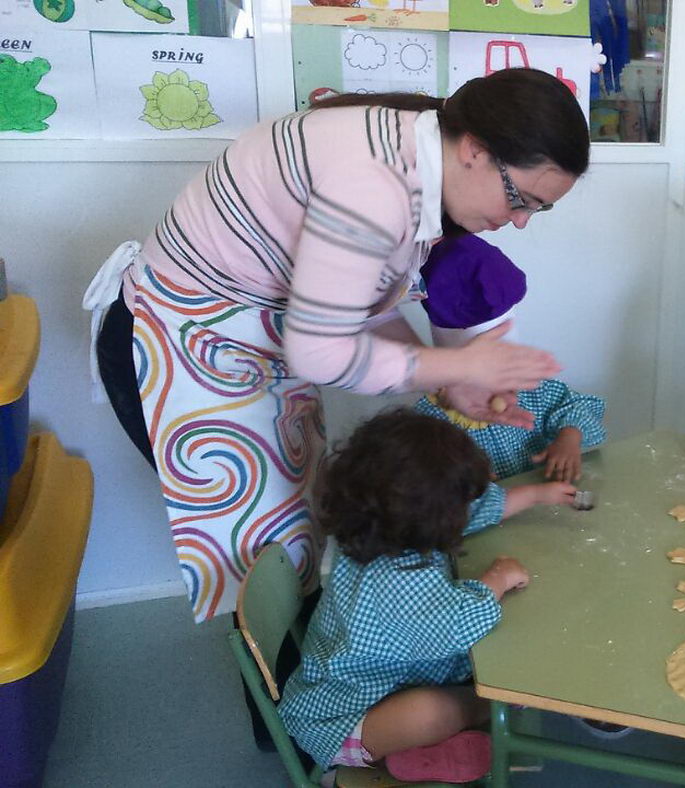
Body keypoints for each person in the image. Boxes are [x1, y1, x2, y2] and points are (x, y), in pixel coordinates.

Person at [85, 68, 589, 621]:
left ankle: (308, 682)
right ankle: (296, 702)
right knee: (261, 566)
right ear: (474, 149)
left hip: (247, 343)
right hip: (184, 346)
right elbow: (320, 352)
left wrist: (450, 378)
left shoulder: (414, 162)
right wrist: (461, 362)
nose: (519, 221)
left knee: (293, 541)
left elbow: (357, 309)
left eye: (538, 211)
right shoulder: (373, 186)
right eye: (522, 198)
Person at [278, 410, 536, 783]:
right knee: (432, 712)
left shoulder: (378, 525)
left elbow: (471, 511)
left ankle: (419, 754)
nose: (466, 511)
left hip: (381, 682)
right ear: (434, 518)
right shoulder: (398, 578)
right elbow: (453, 629)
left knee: (444, 698)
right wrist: (494, 581)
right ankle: (373, 763)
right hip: (344, 718)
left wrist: (532, 494)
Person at [413, 233, 606, 484]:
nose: (505, 384)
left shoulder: (532, 391)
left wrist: (569, 437)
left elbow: (585, 406)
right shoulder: (429, 420)